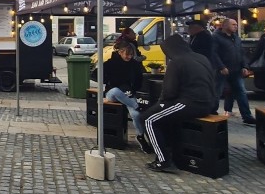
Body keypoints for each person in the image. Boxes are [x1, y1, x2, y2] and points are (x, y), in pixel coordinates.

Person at [141, 34, 214, 172]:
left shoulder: (177, 62)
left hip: (190, 103)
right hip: (208, 102)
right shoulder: (202, 58)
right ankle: (171, 149)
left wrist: (160, 104)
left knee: (148, 119)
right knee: (162, 116)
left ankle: (162, 160)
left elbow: (169, 92)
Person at [102, 41, 149, 153]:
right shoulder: (110, 63)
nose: (129, 57)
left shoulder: (134, 65)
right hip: (113, 93)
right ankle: (136, 105)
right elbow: (99, 76)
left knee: (136, 114)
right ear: (120, 52)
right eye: (127, 54)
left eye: (131, 55)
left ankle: (140, 136)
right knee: (116, 91)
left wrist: (133, 90)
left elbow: (139, 80)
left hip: (128, 94)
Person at [212, 19, 256, 124]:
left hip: (236, 70)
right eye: (234, 24)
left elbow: (241, 53)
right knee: (217, 92)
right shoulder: (215, 37)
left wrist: (244, 66)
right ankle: (212, 112)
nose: (236, 26)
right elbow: (213, 53)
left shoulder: (236, 38)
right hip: (222, 70)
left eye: (236, 25)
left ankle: (247, 116)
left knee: (241, 92)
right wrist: (221, 67)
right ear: (225, 25)